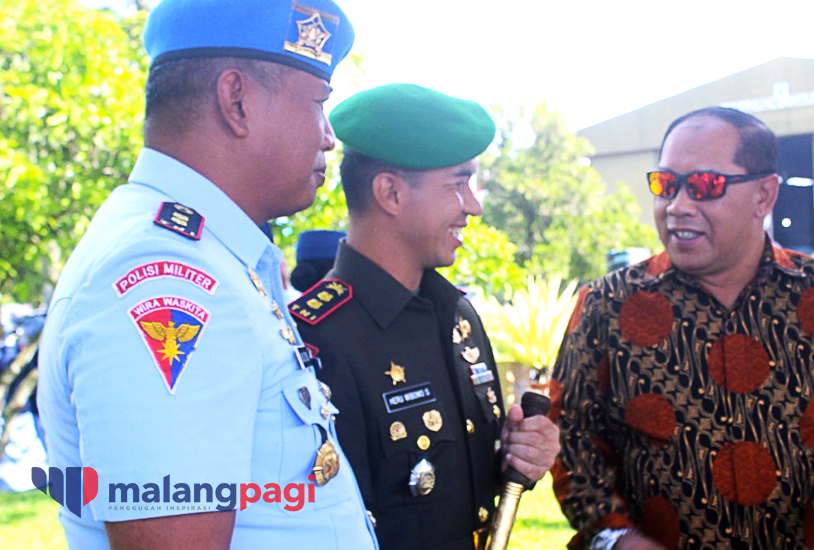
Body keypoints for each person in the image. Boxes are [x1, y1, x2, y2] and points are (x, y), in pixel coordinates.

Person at [35, 1, 377, 549]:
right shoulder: (168, 277)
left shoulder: (209, 258)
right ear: (236, 101)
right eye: (317, 105)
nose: (329, 137)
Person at [548, 107, 814, 550]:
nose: (677, 207)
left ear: (764, 195)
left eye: (706, 186)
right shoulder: (607, 305)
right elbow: (571, 434)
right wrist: (615, 535)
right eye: (666, 185)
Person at [291, 83, 560, 550]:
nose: (473, 206)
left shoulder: (457, 316)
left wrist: (518, 457)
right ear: (390, 193)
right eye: (458, 183)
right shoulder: (313, 338)